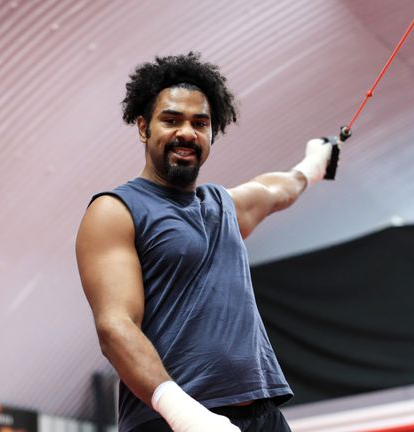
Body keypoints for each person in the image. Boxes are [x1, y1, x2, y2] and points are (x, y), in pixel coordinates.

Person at [75, 52, 336, 432]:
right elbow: (115, 327)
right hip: (172, 419)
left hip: (262, 417)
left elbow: (278, 189)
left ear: (213, 132)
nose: (187, 132)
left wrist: (314, 165)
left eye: (200, 122)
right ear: (143, 127)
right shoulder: (115, 211)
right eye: (171, 120)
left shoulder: (222, 206)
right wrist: (186, 415)